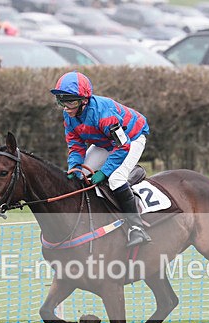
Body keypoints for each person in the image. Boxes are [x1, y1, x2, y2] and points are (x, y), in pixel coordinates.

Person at [50, 71, 152, 247]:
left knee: (116, 178)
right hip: (105, 141)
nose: (66, 107)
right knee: (79, 176)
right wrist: (74, 167)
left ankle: (137, 228)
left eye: (71, 101)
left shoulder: (105, 115)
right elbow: (75, 145)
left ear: (85, 100)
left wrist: (104, 172)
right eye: (61, 101)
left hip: (132, 139)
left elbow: (122, 146)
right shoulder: (69, 114)